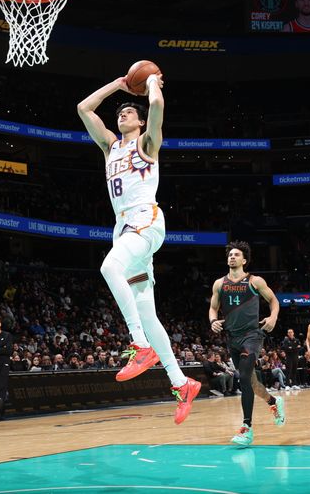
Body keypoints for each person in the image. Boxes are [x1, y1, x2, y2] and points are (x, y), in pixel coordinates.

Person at [77, 69, 200, 424]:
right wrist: (117, 83)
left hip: (145, 220)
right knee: (148, 312)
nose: (122, 115)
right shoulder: (109, 146)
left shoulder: (147, 143)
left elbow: (158, 105)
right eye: (120, 113)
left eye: (129, 112)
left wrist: (151, 84)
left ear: (142, 120)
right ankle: (181, 383)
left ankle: (140, 345)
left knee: (108, 268)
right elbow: (84, 108)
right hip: (125, 228)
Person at [208, 240, 283, 446]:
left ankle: (246, 428)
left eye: (236, 255)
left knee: (242, 376)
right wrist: (213, 321)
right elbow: (213, 308)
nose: (232, 257)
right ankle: (273, 402)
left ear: (244, 260)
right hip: (232, 337)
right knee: (251, 382)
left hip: (252, 335)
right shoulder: (219, 284)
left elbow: (274, 301)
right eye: (230, 254)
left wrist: (273, 317)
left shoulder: (254, 281)